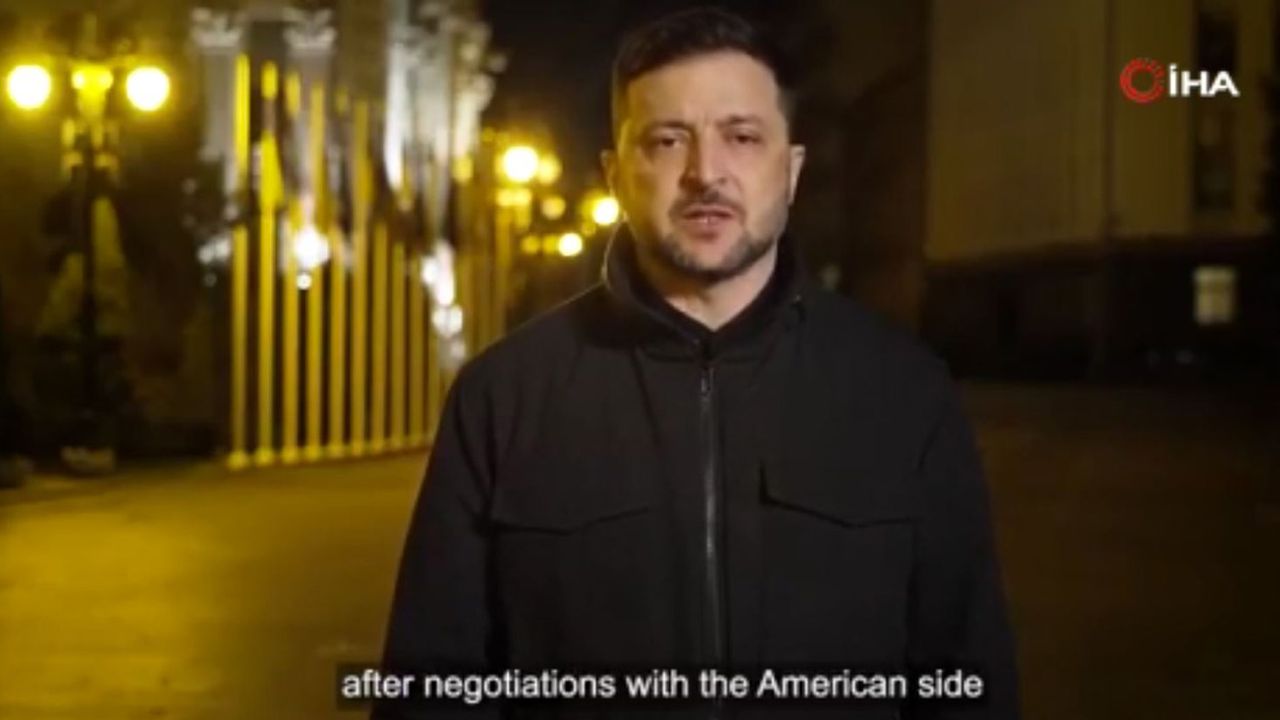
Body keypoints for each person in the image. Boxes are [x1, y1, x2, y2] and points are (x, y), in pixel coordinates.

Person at [376, 7, 1019, 719]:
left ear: (790, 169)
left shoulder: (901, 390)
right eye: (667, 140)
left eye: (741, 137)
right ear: (616, 175)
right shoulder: (504, 397)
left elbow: (968, 681)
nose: (705, 173)